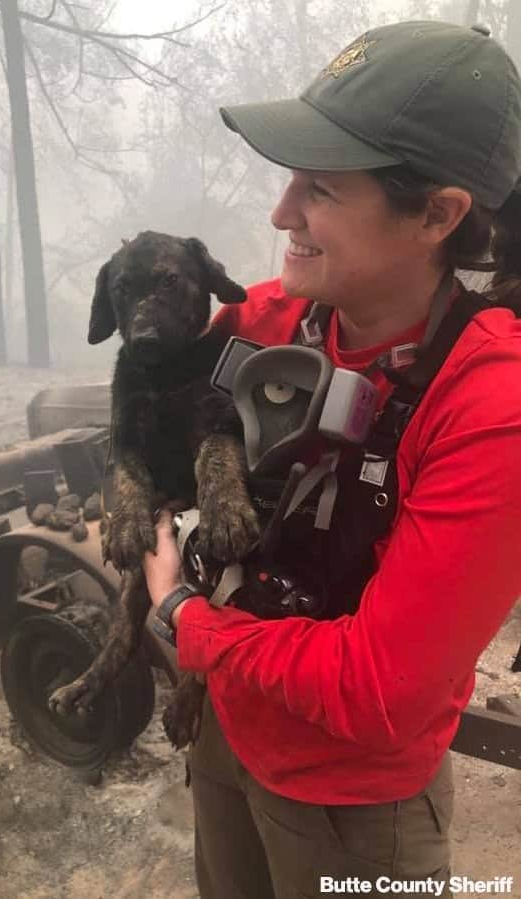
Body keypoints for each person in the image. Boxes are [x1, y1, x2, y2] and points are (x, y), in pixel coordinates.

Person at [142, 20, 521, 899]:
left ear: (438, 214)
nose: (281, 213)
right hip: (227, 733)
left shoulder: (489, 405)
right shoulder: (284, 317)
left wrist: (183, 619)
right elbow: (148, 404)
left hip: (353, 808)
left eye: (320, 189)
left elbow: (378, 690)